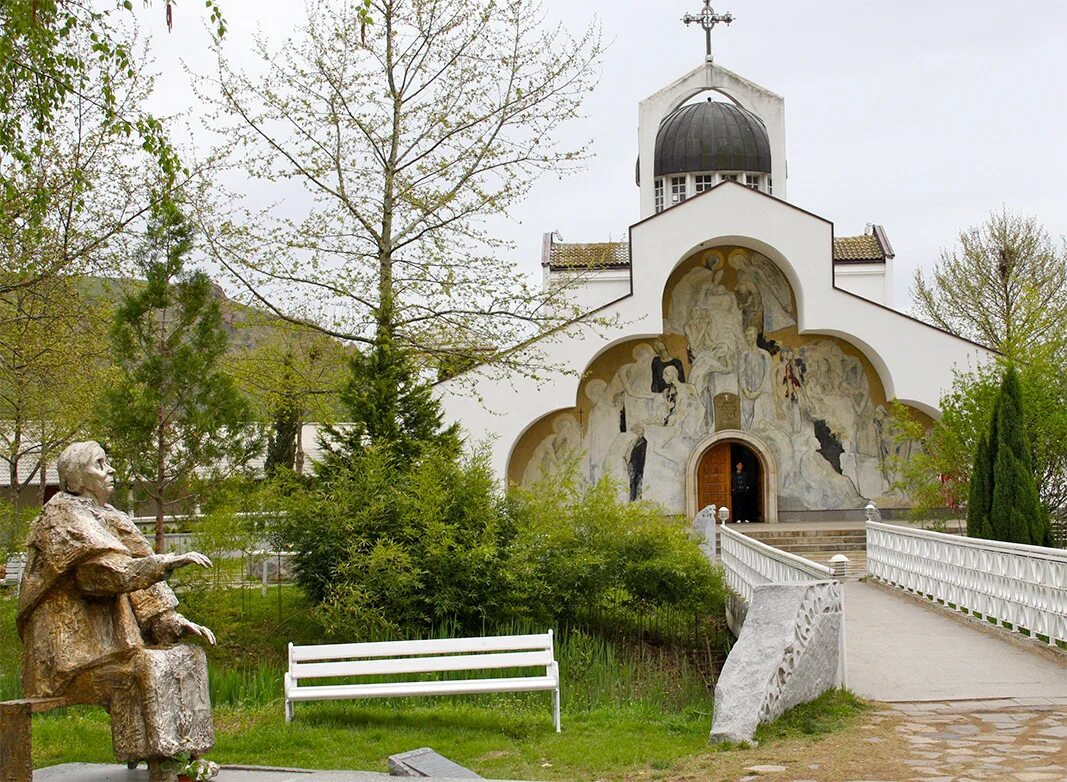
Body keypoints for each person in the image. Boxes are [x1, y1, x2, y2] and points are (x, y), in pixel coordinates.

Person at [17, 441, 217, 782]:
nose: (110, 470)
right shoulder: (61, 518)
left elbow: (140, 576)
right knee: (148, 666)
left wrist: (169, 620)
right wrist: (163, 563)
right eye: (100, 464)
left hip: (110, 646)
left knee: (188, 655)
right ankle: (163, 766)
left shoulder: (110, 517)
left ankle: (190, 757)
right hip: (70, 654)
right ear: (77, 479)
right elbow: (100, 576)